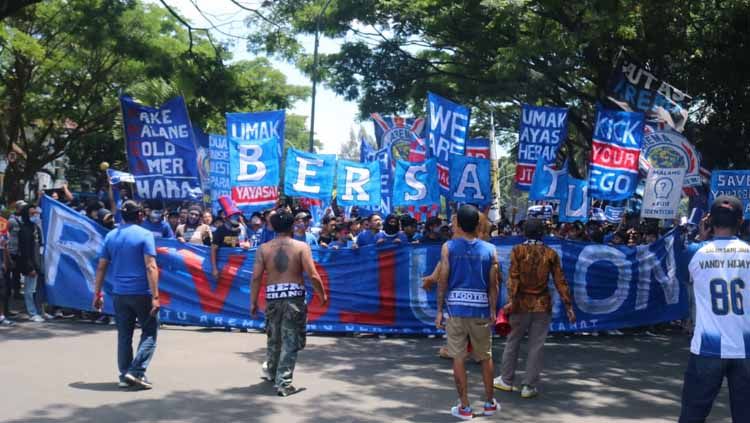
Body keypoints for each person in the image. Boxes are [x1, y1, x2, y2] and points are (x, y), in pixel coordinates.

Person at [679, 195, 750, 423]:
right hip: (746, 348)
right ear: (740, 221)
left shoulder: (694, 252)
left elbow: (685, 277)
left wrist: (701, 237)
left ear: (709, 220)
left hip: (707, 349)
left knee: (692, 415)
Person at [495, 219, 576, 399]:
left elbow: (513, 278)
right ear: (543, 233)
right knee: (536, 346)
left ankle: (506, 380)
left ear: (524, 232)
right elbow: (560, 281)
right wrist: (568, 306)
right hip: (542, 304)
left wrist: (511, 301)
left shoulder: (517, 251)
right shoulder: (551, 253)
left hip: (520, 304)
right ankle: (529, 386)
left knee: (513, 341)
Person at [250, 210, 328, 396]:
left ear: (273, 227)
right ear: (292, 225)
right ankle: (284, 383)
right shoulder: (301, 247)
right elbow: (313, 275)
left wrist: (253, 301)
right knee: (290, 340)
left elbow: (256, 278)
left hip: (273, 296)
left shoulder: (264, 248)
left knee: (274, 336)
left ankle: (272, 371)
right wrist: (322, 295)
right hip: (294, 297)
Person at [435, 204, 500, 420]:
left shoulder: (449, 248)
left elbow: (442, 280)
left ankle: (465, 407)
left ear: (459, 224)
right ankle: (490, 403)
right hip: (481, 310)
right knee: (485, 357)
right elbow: (494, 284)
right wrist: (492, 310)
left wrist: (439, 310)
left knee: (458, 357)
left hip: (455, 310)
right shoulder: (489, 250)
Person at [92, 200, 160, 390]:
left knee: (124, 335)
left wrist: (97, 293)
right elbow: (151, 266)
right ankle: (136, 371)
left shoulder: (111, 236)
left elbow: (101, 267)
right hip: (142, 293)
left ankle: (124, 375)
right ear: (139, 216)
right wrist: (155, 296)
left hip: (120, 294)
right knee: (149, 333)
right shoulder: (145, 235)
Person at [17, 204, 45, 322]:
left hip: (39, 263)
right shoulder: (24, 230)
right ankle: (32, 313)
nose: (35, 216)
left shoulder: (36, 228)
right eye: (32, 214)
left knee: (38, 289)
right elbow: (24, 251)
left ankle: (40, 311)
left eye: (36, 213)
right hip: (30, 265)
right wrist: (30, 267)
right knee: (29, 290)